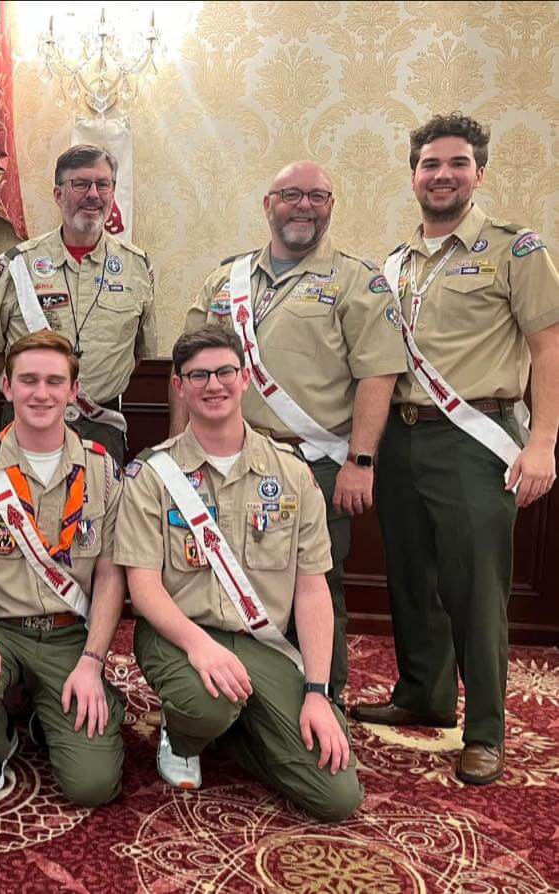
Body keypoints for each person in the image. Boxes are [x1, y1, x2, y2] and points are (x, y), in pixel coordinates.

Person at [350, 114, 559, 785]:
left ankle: (486, 729)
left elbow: (549, 347)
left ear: (479, 173)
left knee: (475, 589)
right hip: (402, 436)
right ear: (413, 175)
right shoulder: (395, 263)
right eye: (430, 164)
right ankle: (424, 693)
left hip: (475, 439)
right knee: (412, 576)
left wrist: (544, 443)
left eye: (458, 163)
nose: (443, 175)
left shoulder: (515, 249)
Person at [173, 161, 406, 702]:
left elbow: (379, 373)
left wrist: (361, 461)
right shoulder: (226, 279)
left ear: (331, 206)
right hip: (227, 459)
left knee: (315, 581)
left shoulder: (356, 280)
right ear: (268, 204)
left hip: (314, 463)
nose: (304, 206)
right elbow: (185, 368)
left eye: (317, 196)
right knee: (224, 574)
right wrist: (177, 450)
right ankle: (240, 699)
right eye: (291, 195)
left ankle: (325, 697)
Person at [118, 324, 362, 822]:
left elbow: (313, 591)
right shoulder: (152, 475)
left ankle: (234, 735)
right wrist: (198, 645)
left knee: (337, 796)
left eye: (225, 371)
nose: (214, 384)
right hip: (179, 635)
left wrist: (317, 693)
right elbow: (142, 586)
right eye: (198, 375)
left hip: (261, 643)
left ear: (245, 378)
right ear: (179, 386)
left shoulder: (291, 473)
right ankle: (184, 735)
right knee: (205, 704)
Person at [0, 331, 126, 807]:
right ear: (7, 386)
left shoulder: (102, 471)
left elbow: (109, 575)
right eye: (29, 380)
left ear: (73, 391)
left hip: (69, 635)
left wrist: (93, 661)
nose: (41, 393)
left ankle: (52, 710)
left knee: (93, 785)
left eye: (54, 381)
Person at [0, 144, 157, 464]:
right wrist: (29, 392)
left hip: (102, 428)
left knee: (101, 500)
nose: (93, 194)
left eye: (103, 184)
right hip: (27, 424)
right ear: (58, 194)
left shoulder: (137, 266)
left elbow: (139, 352)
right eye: (81, 184)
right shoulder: (18, 264)